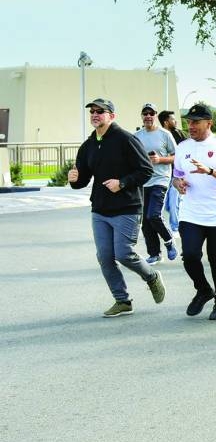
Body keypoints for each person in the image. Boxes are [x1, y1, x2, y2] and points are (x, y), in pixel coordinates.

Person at [69, 98, 165, 317]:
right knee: (104, 257)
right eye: (92, 111)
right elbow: (82, 180)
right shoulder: (89, 145)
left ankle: (151, 276)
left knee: (123, 254)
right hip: (100, 209)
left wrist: (121, 183)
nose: (95, 114)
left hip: (127, 207)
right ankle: (122, 301)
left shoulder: (126, 139)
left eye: (100, 111)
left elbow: (146, 170)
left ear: (111, 116)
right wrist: (74, 179)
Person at [172, 103, 216, 321]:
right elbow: (176, 176)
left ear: (209, 123)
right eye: (189, 122)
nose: (190, 126)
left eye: (195, 122)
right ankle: (203, 290)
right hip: (191, 213)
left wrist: (210, 171)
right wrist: (178, 183)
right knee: (190, 256)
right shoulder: (182, 147)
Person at [134, 103, 178, 264]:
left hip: (160, 179)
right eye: (145, 113)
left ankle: (169, 240)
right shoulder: (136, 136)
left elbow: (176, 156)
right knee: (145, 221)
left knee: (153, 214)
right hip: (143, 181)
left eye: (151, 113)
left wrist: (160, 159)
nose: (148, 116)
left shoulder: (165, 134)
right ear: (141, 116)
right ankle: (154, 254)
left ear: (155, 115)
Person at [158, 109, 186, 234]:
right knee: (167, 205)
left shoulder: (180, 135)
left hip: (177, 173)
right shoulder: (159, 135)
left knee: (174, 201)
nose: (175, 121)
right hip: (163, 174)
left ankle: (175, 227)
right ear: (166, 122)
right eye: (173, 119)